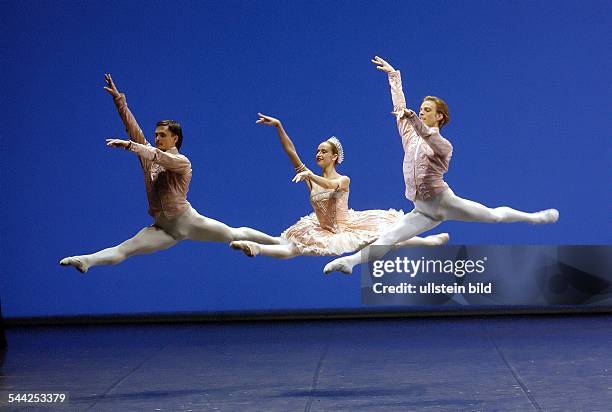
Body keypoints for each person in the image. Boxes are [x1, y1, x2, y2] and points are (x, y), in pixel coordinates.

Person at [323, 56, 559, 274]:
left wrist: (413, 118)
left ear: (439, 117)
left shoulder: (443, 145)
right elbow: (399, 110)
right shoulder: (410, 135)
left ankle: (535, 217)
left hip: (445, 203)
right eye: (421, 109)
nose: (421, 112)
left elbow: (428, 136)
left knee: (493, 216)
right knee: (389, 238)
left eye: (427, 110)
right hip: (422, 210)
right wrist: (394, 77)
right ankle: (350, 262)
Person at [59, 75, 279, 273]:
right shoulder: (149, 155)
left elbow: (158, 156)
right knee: (124, 249)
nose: (157, 138)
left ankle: (275, 242)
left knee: (233, 234)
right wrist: (120, 101)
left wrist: (129, 146)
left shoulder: (181, 162)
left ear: (175, 139)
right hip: (163, 228)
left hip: (187, 221)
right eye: (156, 135)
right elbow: (134, 132)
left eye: (162, 135)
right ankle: (86, 260)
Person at [229, 113, 449, 259]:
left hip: (346, 228)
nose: (318, 154)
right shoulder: (310, 179)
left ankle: (429, 242)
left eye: (323, 151)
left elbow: (330, 184)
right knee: (291, 246)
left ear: (334, 157)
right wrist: (278, 126)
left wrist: (309, 175)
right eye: (317, 151)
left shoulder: (343, 179)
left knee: (389, 240)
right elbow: (291, 152)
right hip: (320, 228)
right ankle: (252, 243)